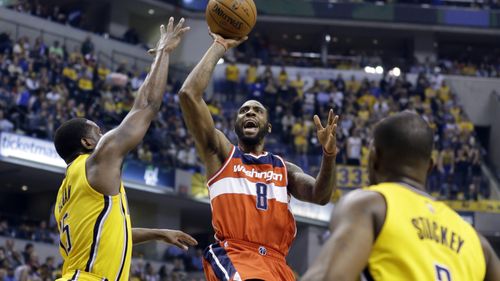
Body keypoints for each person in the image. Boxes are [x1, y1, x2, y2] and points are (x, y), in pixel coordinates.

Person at [177, 30, 338, 281]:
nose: (249, 113)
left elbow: (321, 195)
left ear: (268, 126)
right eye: (243, 111)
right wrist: (220, 45)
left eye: (257, 110)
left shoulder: (285, 169)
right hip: (235, 254)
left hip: (277, 264)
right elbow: (188, 94)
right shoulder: (221, 153)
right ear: (236, 124)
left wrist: (329, 155)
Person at [53, 18, 197, 281]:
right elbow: (147, 106)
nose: (104, 134)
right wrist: (164, 53)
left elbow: (112, 232)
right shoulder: (95, 163)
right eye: (97, 131)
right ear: (86, 143)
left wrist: (157, 233)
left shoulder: (67, 191)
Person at [302, 111, 500, 281]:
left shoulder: (370, 204)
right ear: (430, 166)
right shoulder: (477, 242)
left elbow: (330, 277)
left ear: (374, 157)